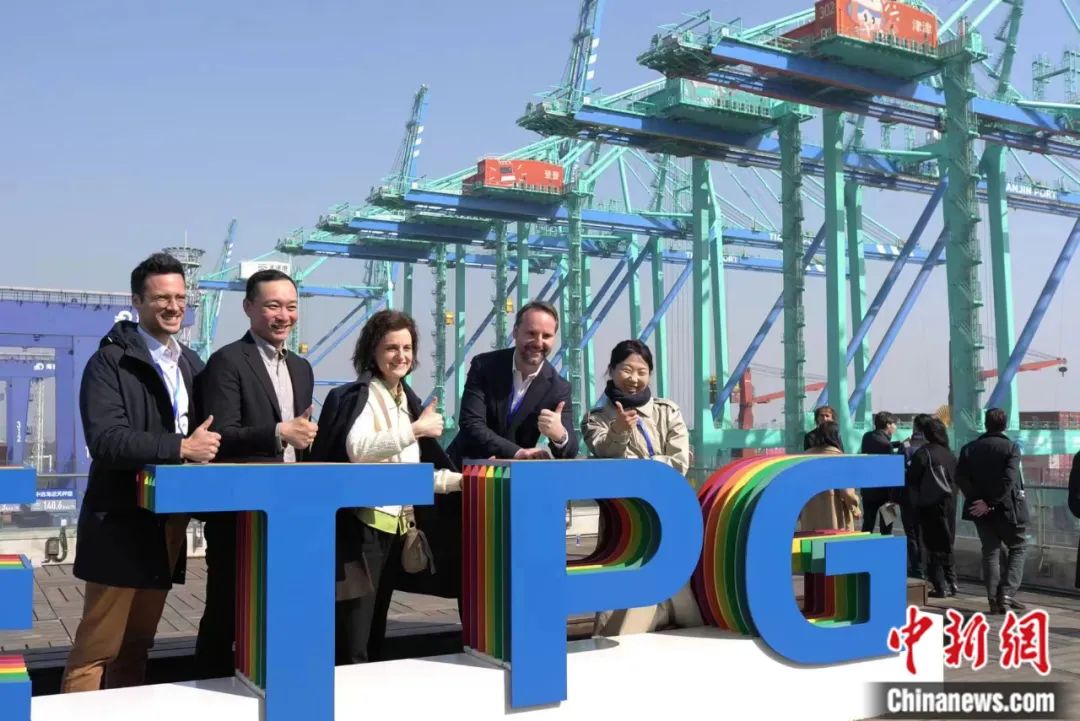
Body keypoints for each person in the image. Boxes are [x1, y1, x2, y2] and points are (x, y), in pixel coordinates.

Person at [62, 253, 221, 692]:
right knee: (96, 651)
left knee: (137, 646)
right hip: (120, 522)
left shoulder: (191, 363)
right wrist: (181, 447)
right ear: (137, 301)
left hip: (167, 523)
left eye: (180, 297)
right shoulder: (109, 363)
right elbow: (106, 440)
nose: (174, 306)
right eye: (161, 298)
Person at [308, 309, 461, 664]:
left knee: (375, 627)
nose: (401, 356)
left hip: (395, 528)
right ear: (372, 351)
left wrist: (457, 482)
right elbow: (358, 449)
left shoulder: (405, 399)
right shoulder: (362, 395)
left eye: (407, 348)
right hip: (361, 530)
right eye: (392, 347)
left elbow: (407, 472)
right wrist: (417, 430)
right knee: (354, 631)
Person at [194, 269, 316, 678]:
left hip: (290, 511)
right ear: (248, 307)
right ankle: (210, 690)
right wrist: (280, 432)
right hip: (239, 511)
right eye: (273, 306)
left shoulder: (301, 368)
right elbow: (221, 435)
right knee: (226, 610)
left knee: (282, 607)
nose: (284, 316)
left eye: (291, 306)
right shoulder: (227, 362)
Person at [581, 340, 698, 635]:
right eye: (626, 370)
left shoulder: (667, 411)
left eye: (642, 371)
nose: (634, 378)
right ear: (611, 370)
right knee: (618, 578)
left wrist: (638, 467)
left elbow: (680, 462)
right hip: (623, 516)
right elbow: (605, 452)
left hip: (666, 512)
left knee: (674, 578)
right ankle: (611, 642)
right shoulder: (596, 418)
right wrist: (619, 431)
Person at [446, 300, 577, 465]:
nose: (538, 342)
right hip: (466, 469)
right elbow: (471, 423)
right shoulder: (484, 366)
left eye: (546, 336)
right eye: (531, 333)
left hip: (514, 476)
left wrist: (560, 436)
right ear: (515, 332)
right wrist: (517, 452)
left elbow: (570, 450)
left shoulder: (558, 388)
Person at [956, 407, 1028, 614]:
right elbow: (1009, 480)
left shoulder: (969, 448)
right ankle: (1006, 594)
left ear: (985, 424)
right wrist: (990, 502)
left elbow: (960, 477)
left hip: (980, 511)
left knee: (990, 551)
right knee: (1018, 547)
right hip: (1007, 509)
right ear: (1005, 425)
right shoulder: (1011, 448)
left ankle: (993, 600)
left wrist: (978, 501)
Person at [906, 417, 958, 598]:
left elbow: (911, 479)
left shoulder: (924, 453)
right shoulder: (949, 454)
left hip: (929, 505)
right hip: (949, 504)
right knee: (947, 542)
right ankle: (953, 581)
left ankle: (939, 586)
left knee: (932, 545)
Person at [800, 422, 861, 532]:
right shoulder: (838, 458)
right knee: (833, 540)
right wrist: (855, 508)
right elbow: (847, 492)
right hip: (833, 514)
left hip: (809, 514)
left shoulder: (804, 457)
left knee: (812, 542)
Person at [899, 414, 932, 579]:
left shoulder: (905, 444)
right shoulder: (931, 446)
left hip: (908, 496)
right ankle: (928, 568)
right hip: (929, 497)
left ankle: (916, 567)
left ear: (915, 427)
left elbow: (898, 470)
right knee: (927, 532)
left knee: (911, 534)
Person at [859, 411, 900, 535]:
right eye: (894, 424)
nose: (895, 427)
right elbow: (892, 469)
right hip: (887, 492)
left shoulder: (867, 437)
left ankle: (864, 545)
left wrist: (897, 444)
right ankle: (886, 546)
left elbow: (879, 444)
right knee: (887, 526)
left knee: (868, 524)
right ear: (888, 425)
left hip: (868, 489)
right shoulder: (887, 446)